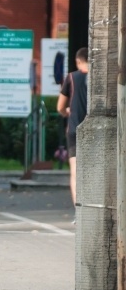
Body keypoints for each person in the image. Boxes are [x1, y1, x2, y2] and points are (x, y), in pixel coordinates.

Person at [57, 47, 89, 223]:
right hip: (94, 131)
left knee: (75, 172)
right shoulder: (100, 78)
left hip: (74, 129)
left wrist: (67, 112)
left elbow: (60, 107)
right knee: (94, 170)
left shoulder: (71, 78)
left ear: (78, 61)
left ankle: (79, 212)